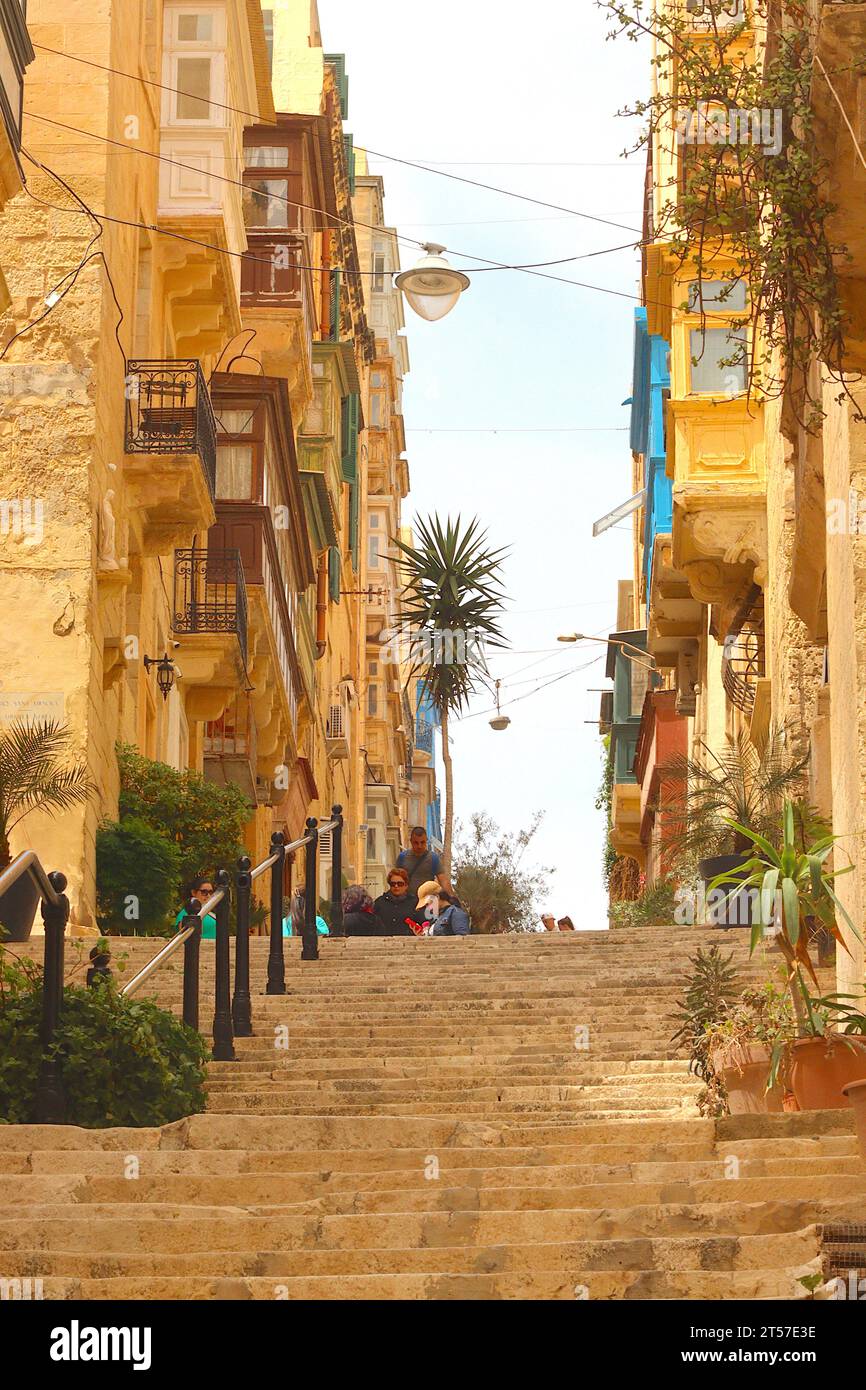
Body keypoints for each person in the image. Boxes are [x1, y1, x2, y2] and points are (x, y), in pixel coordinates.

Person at [396, 826, 447, 896]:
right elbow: (396, 880)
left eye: (422, 842)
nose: (419, 846)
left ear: (426, 841)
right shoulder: (402, 857)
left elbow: (443, 881)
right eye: (416, 843)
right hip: (406, 902)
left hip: (427, 901)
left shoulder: (433, 858)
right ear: (411, 841)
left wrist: (452, 899)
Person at [375, 869, 423, 937]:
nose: (396, 886)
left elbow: (422, 924)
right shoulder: (379, 903)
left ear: (406, 885)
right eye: (393, 884)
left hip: (409, 943)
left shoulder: (415, 903)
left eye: (400, 884)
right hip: (385, 943)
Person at [175, 876, 217, 941]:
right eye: (204, 892)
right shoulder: (186, 912)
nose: (208, 895)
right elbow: (184, 938)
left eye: (210, 892)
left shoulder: (211, 914)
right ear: (193, 892)